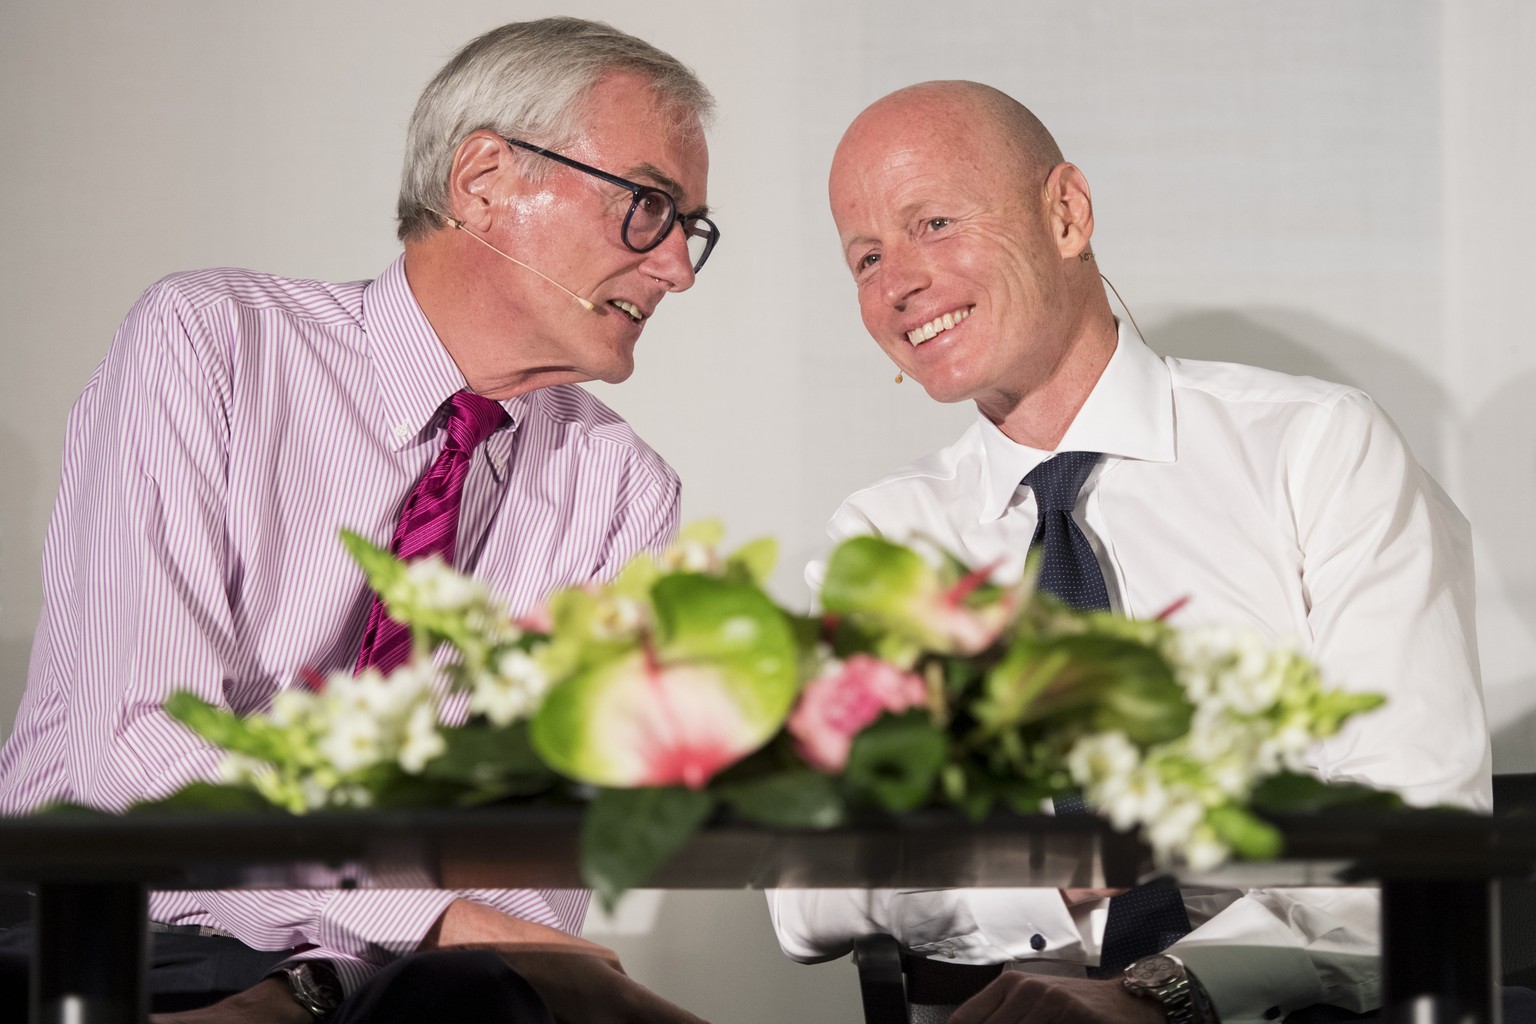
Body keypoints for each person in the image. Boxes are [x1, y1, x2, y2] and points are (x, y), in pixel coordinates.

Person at [0, 17, 719, 1024]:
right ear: (483, 180)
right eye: (648, 207)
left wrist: (387, 957)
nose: (678, 267)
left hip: (410, 980)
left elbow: (540, 858)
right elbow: (143, 758)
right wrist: (425, 921)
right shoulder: (210, 343)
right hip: (117, 927)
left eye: (693, 226)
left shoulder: (624, 491)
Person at [768, 81, 1491, 1024]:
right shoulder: (885, 537)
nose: (896, 282)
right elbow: (807, 890)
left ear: (1066, 213)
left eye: (934, 222)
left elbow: (1420, 835)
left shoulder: (1315, 449)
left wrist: (1167, 994)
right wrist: (1047, 888)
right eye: (864, 256)